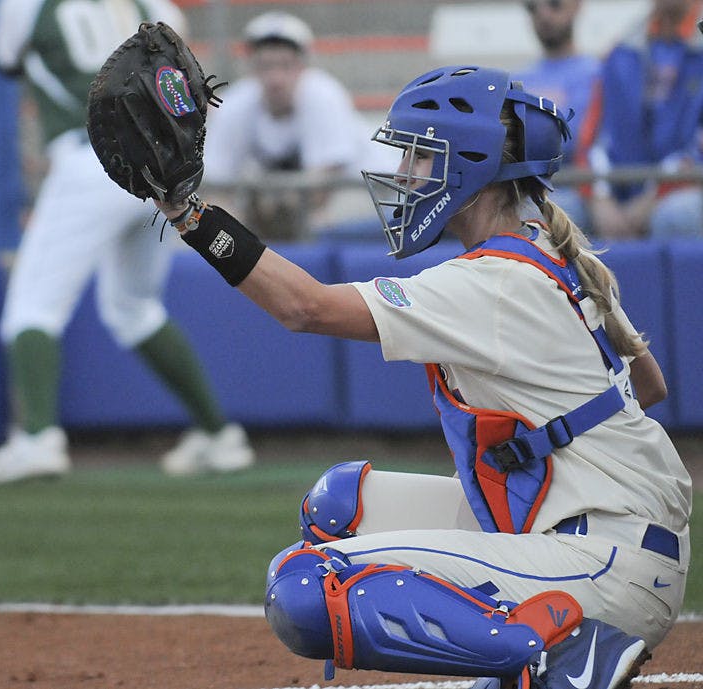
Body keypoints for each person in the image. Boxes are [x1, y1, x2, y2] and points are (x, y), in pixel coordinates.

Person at [155, 65, 690, 689]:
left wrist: (189, 213)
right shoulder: (549, 246)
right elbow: (647, 387)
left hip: (602, 564)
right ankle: (541, 641)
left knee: (305, 586)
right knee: (340, 505)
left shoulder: (490, 279)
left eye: (421, 154)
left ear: (472, 162)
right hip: (611, 537)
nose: (407, 174)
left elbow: (304, 308)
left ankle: (561, 657)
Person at [0, 0, 254, 484]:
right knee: (134, 308)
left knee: (33, 308)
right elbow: (177, 62)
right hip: (157, 164)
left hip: (89, 157)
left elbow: (5, 59)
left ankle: (37, 439)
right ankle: (219, 435)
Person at [202, 11, 391, 240]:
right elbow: (214, 185)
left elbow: (322, 188)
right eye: (266, 66)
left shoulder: (322, 95)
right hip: (297, 202)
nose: (276, 78)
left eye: (285, 65)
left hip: (369, 192)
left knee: (321, 225)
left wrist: (270, 204)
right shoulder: (236, 104)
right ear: (251, 67)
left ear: (302, 66)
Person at [586, 0, 703, 240]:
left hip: (686, 187)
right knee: (561, 210)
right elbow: (591, 139)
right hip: (620, 191)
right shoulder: (620, 53)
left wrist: (655, 196)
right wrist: (600, 197)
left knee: (677, 215)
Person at [513, 0, 599, 232]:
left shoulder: (596, 74)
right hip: (523, 188)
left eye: (554, 4)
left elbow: (573, 141)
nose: (543, 15)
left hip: (572, 190)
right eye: (532, 8)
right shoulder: (516, 79)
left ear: (577, 6)